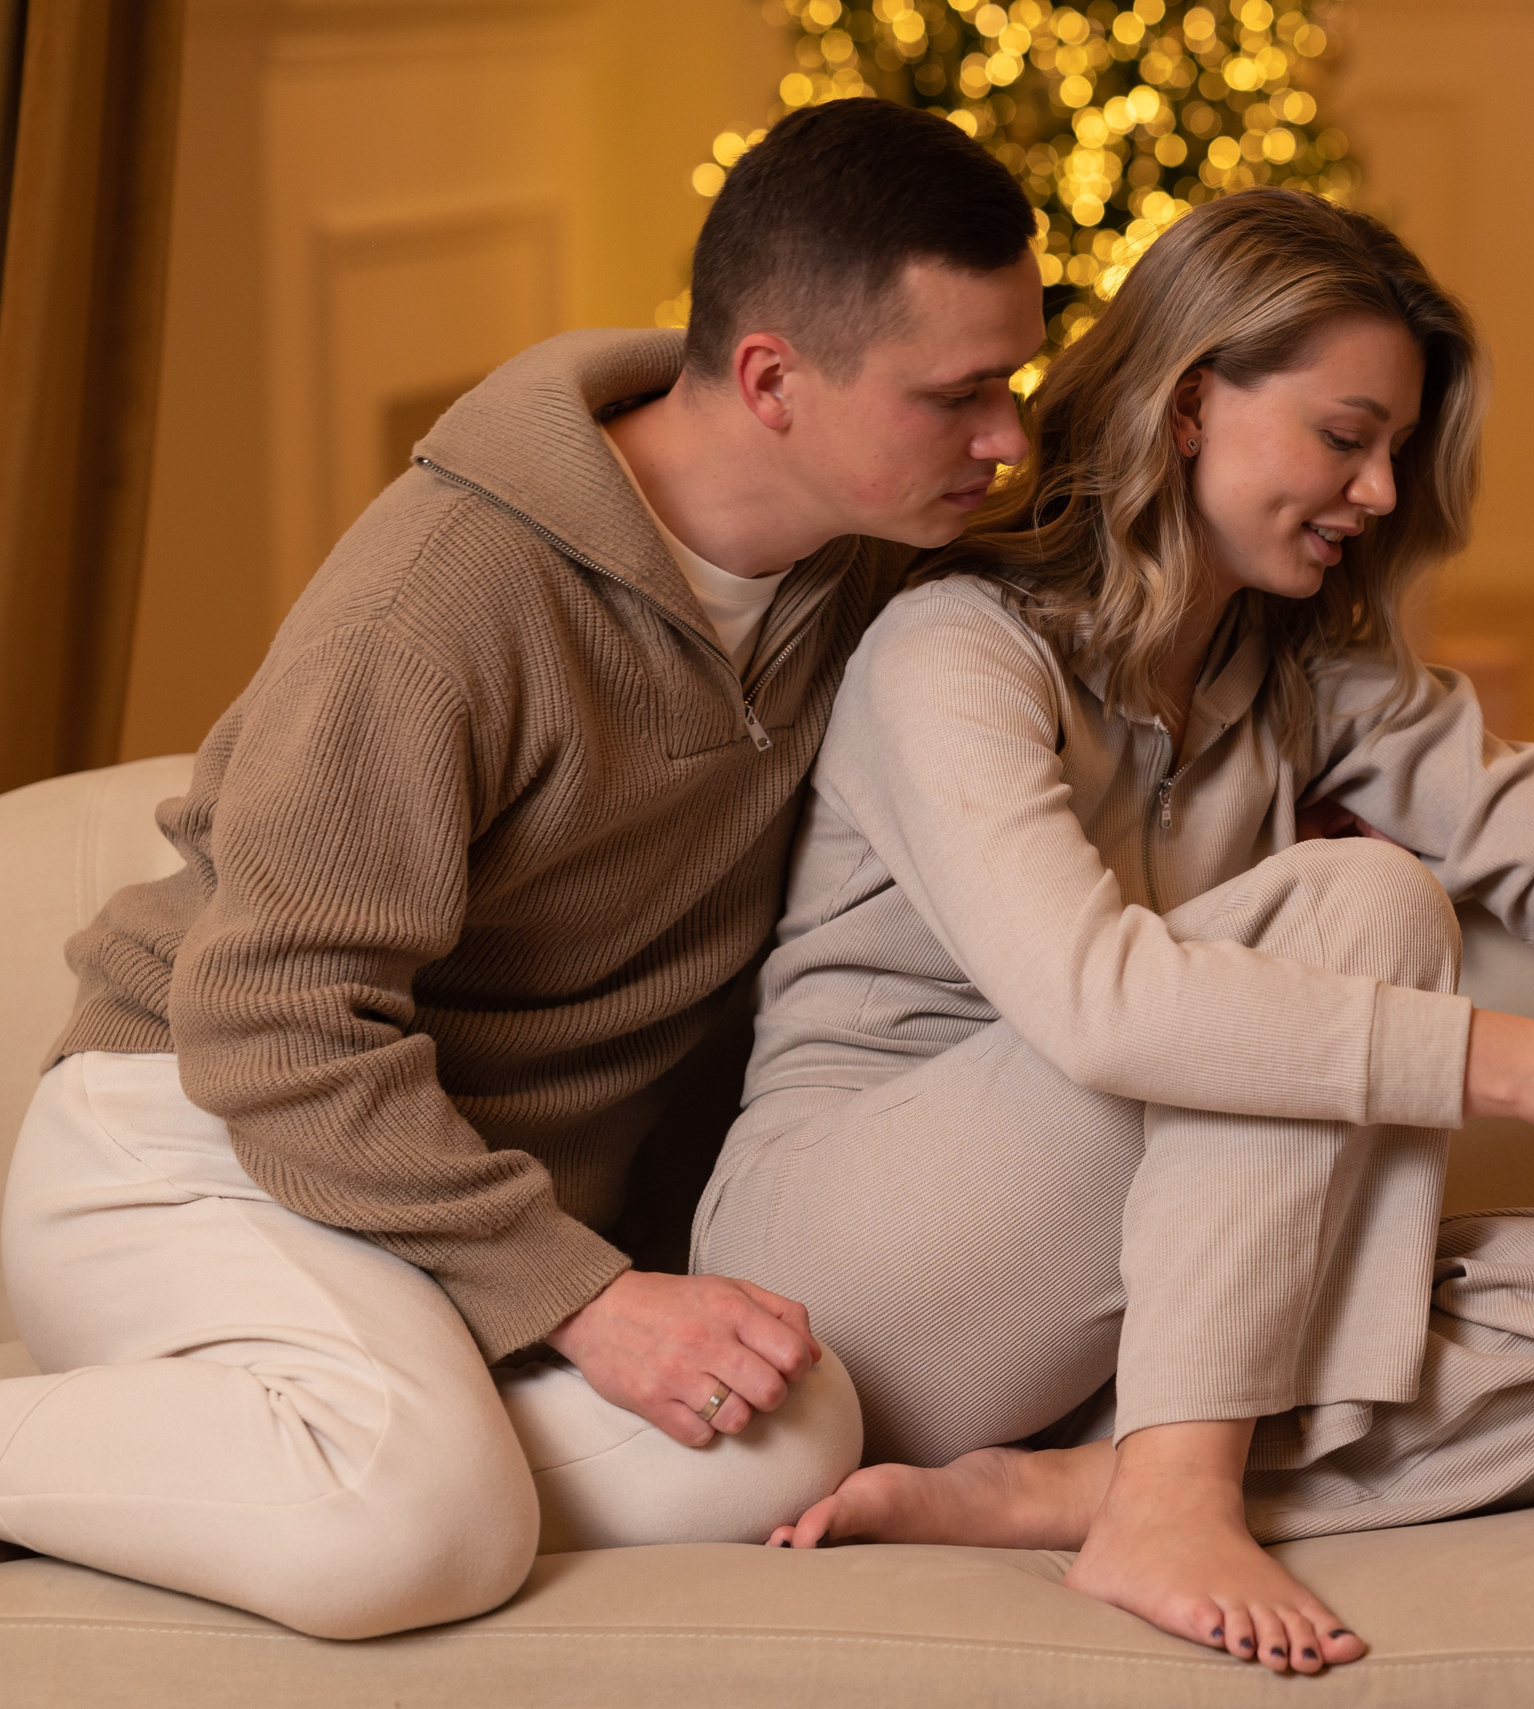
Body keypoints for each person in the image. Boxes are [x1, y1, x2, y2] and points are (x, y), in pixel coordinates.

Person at [696, 187, 1534, 1675]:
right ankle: (1177, 1496)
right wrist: (1529, 1069)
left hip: (1095, 1315)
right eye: (1346, 437)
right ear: (1192, 404)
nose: (1383, 493)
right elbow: (1104, 1009)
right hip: (849, 1279)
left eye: (1395, 449)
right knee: (1363, 899)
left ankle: (1084, 1479)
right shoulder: (949, 648)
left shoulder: (1295, 679)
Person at [0, 99, 1045, 1638]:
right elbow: (272, 1025)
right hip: (203, 1135)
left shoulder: (869, 558)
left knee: (789, 1426)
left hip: (437, 1206)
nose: (1007, 439)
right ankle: (324, 1455)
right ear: (771, 378)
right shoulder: (440, 605)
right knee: (414, 1525)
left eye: (1014, 385)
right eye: (959, 395)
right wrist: (585, 1300)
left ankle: (308, 1438)